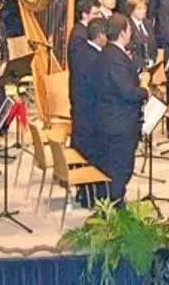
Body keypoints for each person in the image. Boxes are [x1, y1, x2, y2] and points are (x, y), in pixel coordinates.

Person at [94, 14, 148, 206]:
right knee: (120, 168)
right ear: (123, 33)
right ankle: (117, 207)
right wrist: (144, 89)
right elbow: (127, 92)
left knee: (116, 167)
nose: (131, 33)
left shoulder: (108, 53)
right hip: (119, 122)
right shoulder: (115, 58)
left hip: (112, 120)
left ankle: (114, 202)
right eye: (129, 29)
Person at [69, 17, 107, 174]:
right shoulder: (95, 58)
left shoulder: (83, 51)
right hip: (90, 111)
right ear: (99, 36)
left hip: (80, 107)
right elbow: (99, 86)